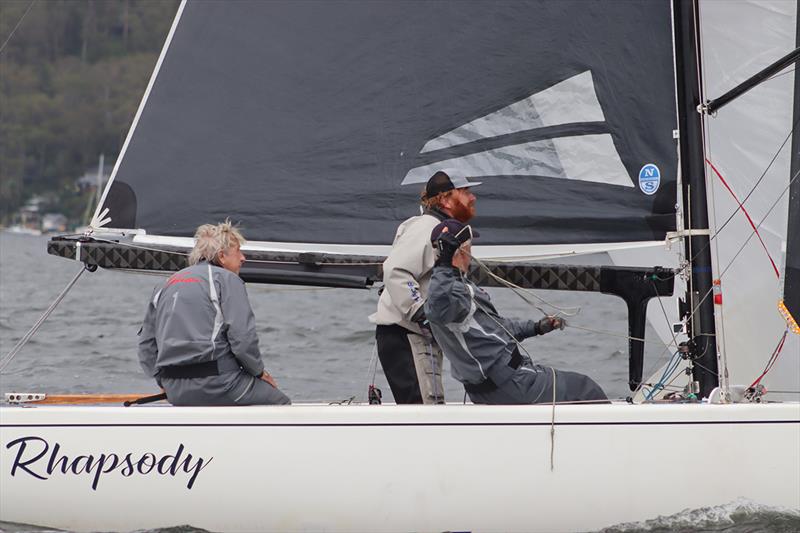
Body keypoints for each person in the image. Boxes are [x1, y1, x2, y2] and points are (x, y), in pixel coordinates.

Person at [424, 219, 608, 405]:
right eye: (470, 247)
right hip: (511, 385)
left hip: (503, 383)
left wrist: (535, 328)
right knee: (585, 389)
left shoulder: (459, 288)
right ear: (462, 250)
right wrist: (444, 264)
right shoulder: (451, 295)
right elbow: (437, 308)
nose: (471, 255)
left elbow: (497, 327)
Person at [137, 221, 290, 406]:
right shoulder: (227, 280)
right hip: (220, 383)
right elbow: (242, 339)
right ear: (222, 256)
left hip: (174, 389)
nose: (243, 258)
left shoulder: (164, 285)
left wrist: (163, 382)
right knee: (280, 402)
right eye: (239, 251)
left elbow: (146, 345)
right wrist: (259, 373)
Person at [370, 168, 481, 404]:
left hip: (414, 336)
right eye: (465, 191)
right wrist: (420, 311)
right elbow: (395, 270)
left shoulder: (438, 228)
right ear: (445, 198)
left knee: (428, 408)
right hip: (405, 335)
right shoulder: (427, 228)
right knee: (423, 411)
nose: (472, 198)